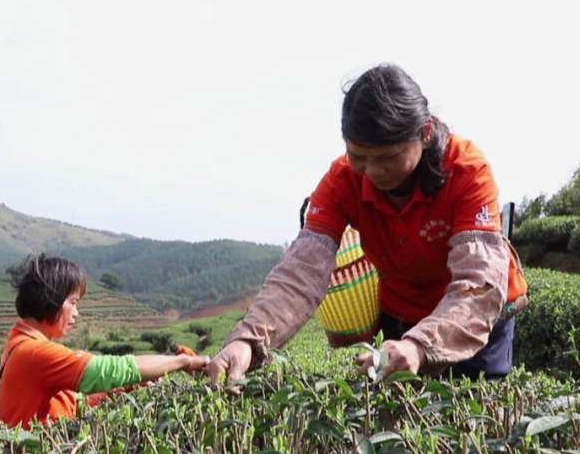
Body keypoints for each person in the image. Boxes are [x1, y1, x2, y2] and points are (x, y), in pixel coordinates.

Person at [208, 63, 529, 388]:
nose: (373, 171)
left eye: (388, 157)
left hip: (473, 315)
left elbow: (479, 282)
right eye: (359, 156)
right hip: (402, 314)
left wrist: (420, 347)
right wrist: (248, 340)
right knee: (399, 407)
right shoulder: (342, 180)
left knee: (475, 404)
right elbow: (300, 273)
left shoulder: (466, 170)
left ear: (425, 133)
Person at [0, 254, 211, 429]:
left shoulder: (19, 345)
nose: (76, 313)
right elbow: (109, 370)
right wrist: (183, 362)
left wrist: (131, 386)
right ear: (50, 300)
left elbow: (77, 402)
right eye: (73, 302)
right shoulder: (34, 353)